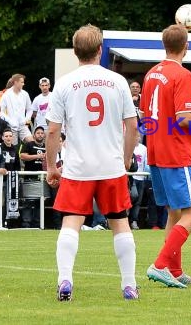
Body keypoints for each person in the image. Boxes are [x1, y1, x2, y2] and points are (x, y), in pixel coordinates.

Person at [45, 24, 139, 301]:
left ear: (76, 52)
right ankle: (129, 285)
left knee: (71, 223)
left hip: (78, 166)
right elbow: (132, 126)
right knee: (120, 223)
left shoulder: (63, 83)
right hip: (110, 165)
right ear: (100, 50)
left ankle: (64, 280)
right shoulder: (118, 81)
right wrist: (125, 158)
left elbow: (52, 131)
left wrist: (52, 166)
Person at [140, 23, 191, 288]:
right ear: (186, 46)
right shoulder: (182, 75)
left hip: (156, 151)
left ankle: (175, 270)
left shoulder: (150, 74)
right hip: (177, 153)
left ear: (164, 44)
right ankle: (159, 265)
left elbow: (146, 116)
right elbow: (184, 119)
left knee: (174, 213)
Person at [19, 126, 47, 228]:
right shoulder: (29, 144)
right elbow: (22, 156)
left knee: (40, 202)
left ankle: (38, 224)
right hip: (30, 177)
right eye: (38, 133)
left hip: (42, 178)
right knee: (28, 201)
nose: (40, 135)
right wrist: (37, 156)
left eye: (42, 133)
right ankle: (26, 224)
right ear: (34, 135)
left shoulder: (46, 146)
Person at [0, 73, 33, 145]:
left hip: (23, 125)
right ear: (15, 82)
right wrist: (10, 121)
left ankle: (27, 155)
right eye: (22, 82)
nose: (23, 84)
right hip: (11, 126)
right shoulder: (6, 94)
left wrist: (26, 120)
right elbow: (0, 111)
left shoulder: (25, 94)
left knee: (31, 142)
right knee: (12, 148)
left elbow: (30, 109)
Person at [129, 133, 147, 230]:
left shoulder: (143, 148)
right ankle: (126, 219)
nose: (137, 138)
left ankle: (134, 220)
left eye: (138, 136)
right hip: (131, 176)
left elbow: (146, 162)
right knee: (132, 197)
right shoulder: (128, 146)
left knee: (138, 201)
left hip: (141, 177)